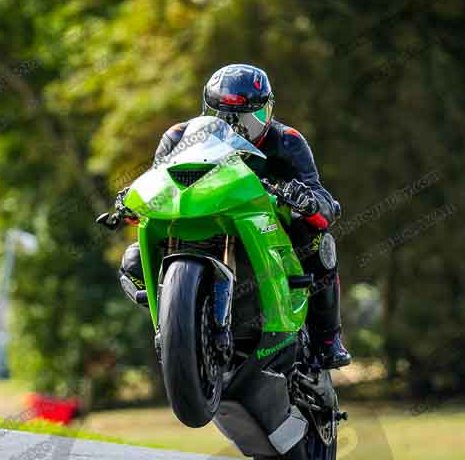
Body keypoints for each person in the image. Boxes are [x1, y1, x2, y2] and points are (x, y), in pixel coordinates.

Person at [119, 63, 350, 369]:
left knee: (320, 244)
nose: (236, 128)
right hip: (199, 217)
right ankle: (180, 323)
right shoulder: (178, 136)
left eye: (247, 119)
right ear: (206, 109)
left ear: (268, 111)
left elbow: (319, 196)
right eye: (224, 118)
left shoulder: (288, 140)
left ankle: (328, 339)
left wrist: (308, 201)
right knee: (133, 260)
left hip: (266, 223)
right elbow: (159, 180)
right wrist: (132, 199)